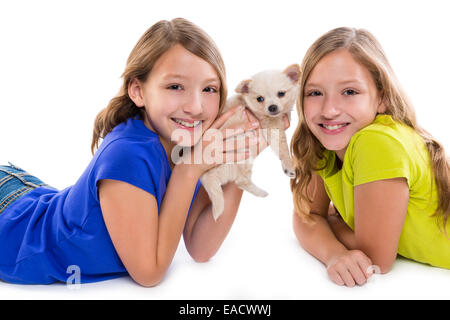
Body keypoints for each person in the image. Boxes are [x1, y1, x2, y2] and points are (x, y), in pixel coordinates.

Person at [0, 18, 269, 286]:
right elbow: (149, 274)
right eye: (175, 86)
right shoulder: (128, 155)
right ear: (138, 91)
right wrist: (189, 170)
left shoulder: (185, 145)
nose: (196, 107)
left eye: (209, 89)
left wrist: (238, 160)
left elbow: (201, 247)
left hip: (31, 199)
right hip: (12, 233)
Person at [290, 27, 450, 287]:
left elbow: (376, 258)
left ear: (381, 99)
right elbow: (306, 214)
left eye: (350, 92)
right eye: (315, 93)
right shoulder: (325, 142)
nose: (329, 110)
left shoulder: (376, 142)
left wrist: (330, 220)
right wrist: (334, 254)